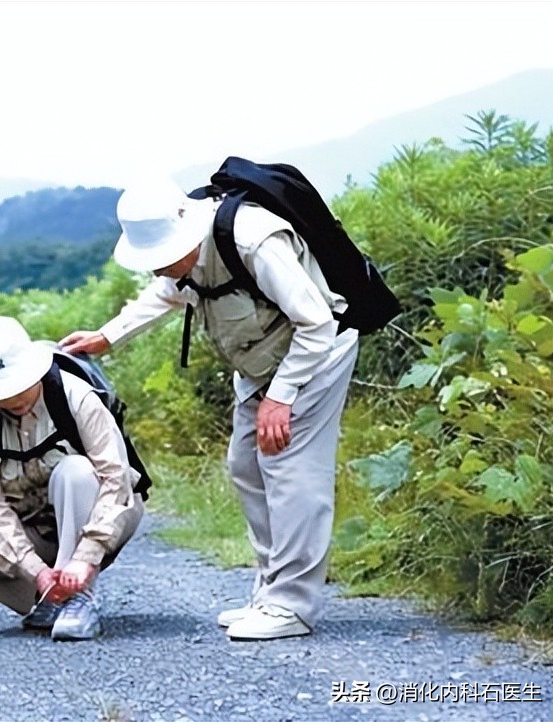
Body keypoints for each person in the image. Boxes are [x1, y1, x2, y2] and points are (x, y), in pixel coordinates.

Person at [60, 177, 359, 641]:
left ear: (185, 235)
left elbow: (316, 322)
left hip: (315, 356)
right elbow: (166, 294)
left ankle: (293, 606)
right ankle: (269, 593)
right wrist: (107, 336)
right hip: (259, 364)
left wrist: (282, 397)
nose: (159, 270)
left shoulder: (252, 241)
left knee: (290, 470)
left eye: (162, 258)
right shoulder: (181, 263)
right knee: (246, 465)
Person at [0, 316, 144, 640]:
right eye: (1, 389)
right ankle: (50, 600)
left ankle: (79, 594)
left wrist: (86, 557)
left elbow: (115, 480)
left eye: (19, 383)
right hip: (34, 529)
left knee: (74, 471)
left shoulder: (76, 397)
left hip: (107, 515)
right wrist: (37, 572)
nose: (14, 396)